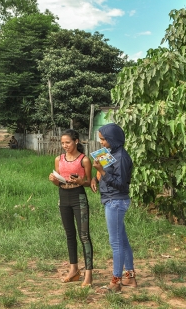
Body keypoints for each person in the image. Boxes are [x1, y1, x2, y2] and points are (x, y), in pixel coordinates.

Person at [91, 123, 136, 292]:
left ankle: (115, 282)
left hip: (116, 201)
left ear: (112, 139)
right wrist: (96, 178)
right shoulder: (109, 153)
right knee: (122, 241)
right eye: (100, 139)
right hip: (110, 199)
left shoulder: (122, 157)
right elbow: (101, 174)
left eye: (103, 139)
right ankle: (130, 278)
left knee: (115, 243)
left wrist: (102, 172)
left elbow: (122, 186)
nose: (101, 142)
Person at [48, 129, 94, 287]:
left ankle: (88, 274)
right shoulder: (58, 159)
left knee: (84, 236)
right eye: (62, 143)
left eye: (67, 142)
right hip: (63, 197)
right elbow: (59, 183)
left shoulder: (84, 160)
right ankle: (73, 269)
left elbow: (89, 182)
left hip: (78, 197)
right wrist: (54, 180)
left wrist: (81, 182)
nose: (64, 145)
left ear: (76, 141)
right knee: (69, 234)